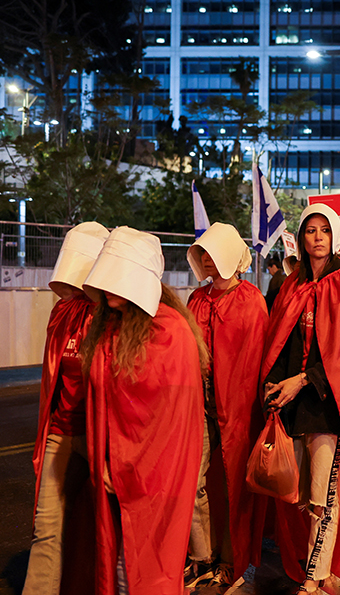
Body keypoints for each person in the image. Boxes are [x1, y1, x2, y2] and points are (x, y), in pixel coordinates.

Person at [261, 204, 340, 594]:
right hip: (293, 405)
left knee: (322, 497)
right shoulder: (292, 285)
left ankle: (313, 580)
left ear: (335, 237)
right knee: (293, 494)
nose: (316, 237)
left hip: (329, 405)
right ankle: (321, 567)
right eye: (310, 230)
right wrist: (274, 383)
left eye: (323, 231)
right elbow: (280, 341)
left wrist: (303, 380)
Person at [80, 226, 208, 595]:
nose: (106, 286)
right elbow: (104, 405)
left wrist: (123, 467)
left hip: (158, 476)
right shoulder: (107, 327)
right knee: (121, 562)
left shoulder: (171, 332)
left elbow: (168, 423)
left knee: (143, 566)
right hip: (116, 471)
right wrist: (105, 461)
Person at [24, 222, 109, 595]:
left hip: (99, 438)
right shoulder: (63, 313)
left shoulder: (114, 316)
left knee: (101, 529)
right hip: (60, 432)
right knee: (47, 528)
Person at [184, 222, 268, 588]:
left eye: (214, 253)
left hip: (239, 407)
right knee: (191, 481)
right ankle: (202, 556)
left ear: (232, 258)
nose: (207, 260)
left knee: (237, 486)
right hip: (198, 407)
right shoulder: (196, 299)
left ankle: (236, 562)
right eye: (203, 254)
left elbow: (257, 359)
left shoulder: (251, 299)